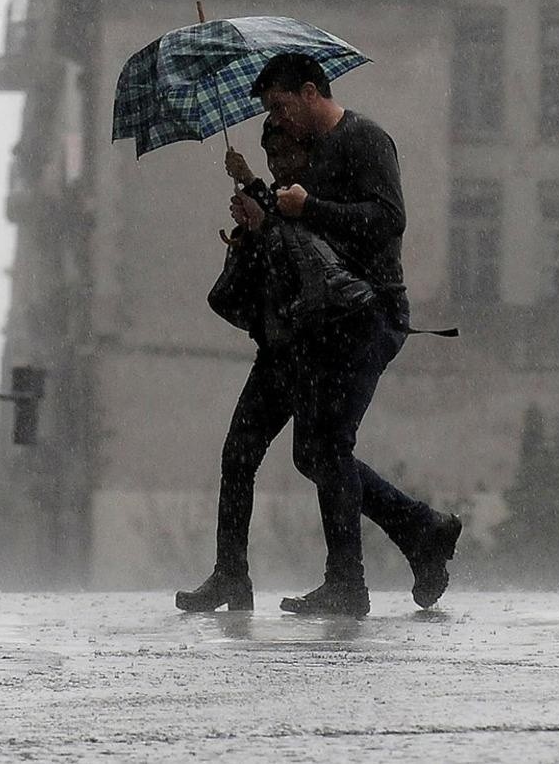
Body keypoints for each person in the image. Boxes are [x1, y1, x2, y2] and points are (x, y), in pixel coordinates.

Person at [226, 52, 462, 618]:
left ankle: (349, 582)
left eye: (281, 107)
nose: (278, 121)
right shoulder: (311, 154)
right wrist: (259, 202)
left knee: (327, 446)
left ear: (311, 92)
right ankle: (421, 531)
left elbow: (387, 219)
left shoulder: (365, 138)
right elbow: (303, 236)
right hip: (328, 321)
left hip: (372, 312)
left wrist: (312, 206)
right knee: (314, 452)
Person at [177, 124, 368, 612]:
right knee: (238, 454)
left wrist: (263, 221)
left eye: (281, 149)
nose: (276, 160)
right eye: (268, 153)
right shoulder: (274, 198)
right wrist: (246, 230)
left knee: (322, 455)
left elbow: (310, 265)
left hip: (311, 348)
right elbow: (267, 271)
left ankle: (347, 578)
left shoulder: (315, 197)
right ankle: (230, 574)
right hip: (277, 350)